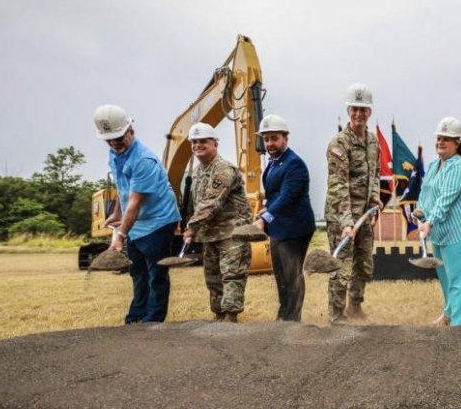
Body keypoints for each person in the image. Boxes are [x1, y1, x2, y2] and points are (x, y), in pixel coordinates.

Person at [94, 104, 180, 324]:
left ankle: (153, 320)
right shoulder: (114, 154)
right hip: (137, 223)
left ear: (131, 130)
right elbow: (124, 191)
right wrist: (115, 214)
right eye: (109, 140)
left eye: (119, 139)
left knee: (156, 272)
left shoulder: (143, 160)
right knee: (137, 271)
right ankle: (136, 316)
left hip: (159, 221)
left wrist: (120, 236)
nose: (114, 144)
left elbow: (135, 202)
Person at [324, 83, 383, 324]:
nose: (358, 114)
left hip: (364, 216)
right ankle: (336, 315)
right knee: (342, 266)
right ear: (348, 111)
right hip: (343, 217)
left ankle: (355, 307)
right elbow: (338, 186)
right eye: (354, 109)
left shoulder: (372, 142)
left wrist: (375, 200)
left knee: (365, 265)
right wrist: (347, 223)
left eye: (363, 109)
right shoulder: (339, 143)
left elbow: (376, 175)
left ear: (369, 112)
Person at [182, 122, 253, 323]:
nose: (198, 145)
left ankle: (230, 318)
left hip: (232, 233)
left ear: (215, 144)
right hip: (210, 234)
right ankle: (219, 316)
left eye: (203, 141)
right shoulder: (196, 172)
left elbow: (210, 204)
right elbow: (194, 203)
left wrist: (191, 227)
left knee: (232, 276)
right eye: (194, 142)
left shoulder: (224, 169)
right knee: (212, 278)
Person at [251, 114, 316, 322]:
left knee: (292, 274)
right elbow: (273, 196)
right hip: (278, 227)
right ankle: (283, 313)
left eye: (274, 138)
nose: (269, 143)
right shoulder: (273, 164)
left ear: (285, 138)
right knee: (279, 274)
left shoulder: (294, 164)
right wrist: (265, 211)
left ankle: (294, 318)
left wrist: (264, 218)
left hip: (295, 229)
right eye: (266, 138)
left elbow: (287, 196)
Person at [417, 117, 461, 327]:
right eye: (439, 138)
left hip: (459, 232)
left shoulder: (460, 167)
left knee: (458, 281)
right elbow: (426, 192)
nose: (441, 143)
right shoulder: (436, 164)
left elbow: (446, 198)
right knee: (445, 277)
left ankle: (459, 325)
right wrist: (420, 212)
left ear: (457, 143)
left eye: (447, 139)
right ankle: (448, 314)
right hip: (440, 232)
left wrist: (431, 220)